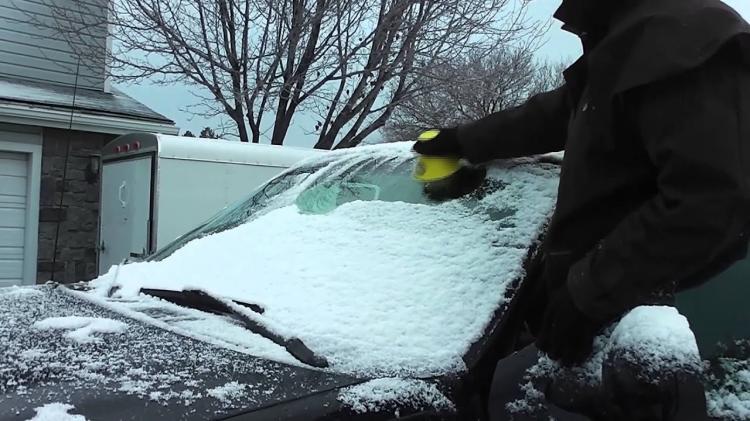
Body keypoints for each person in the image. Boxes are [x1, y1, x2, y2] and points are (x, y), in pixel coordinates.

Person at [413, 0, 750, 419]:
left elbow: (709, 201)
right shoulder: (628, 39)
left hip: (645, 354)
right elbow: (560, 113)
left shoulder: (684, 37)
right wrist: (465, 140)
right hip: (578, 336)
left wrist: (590, 291)